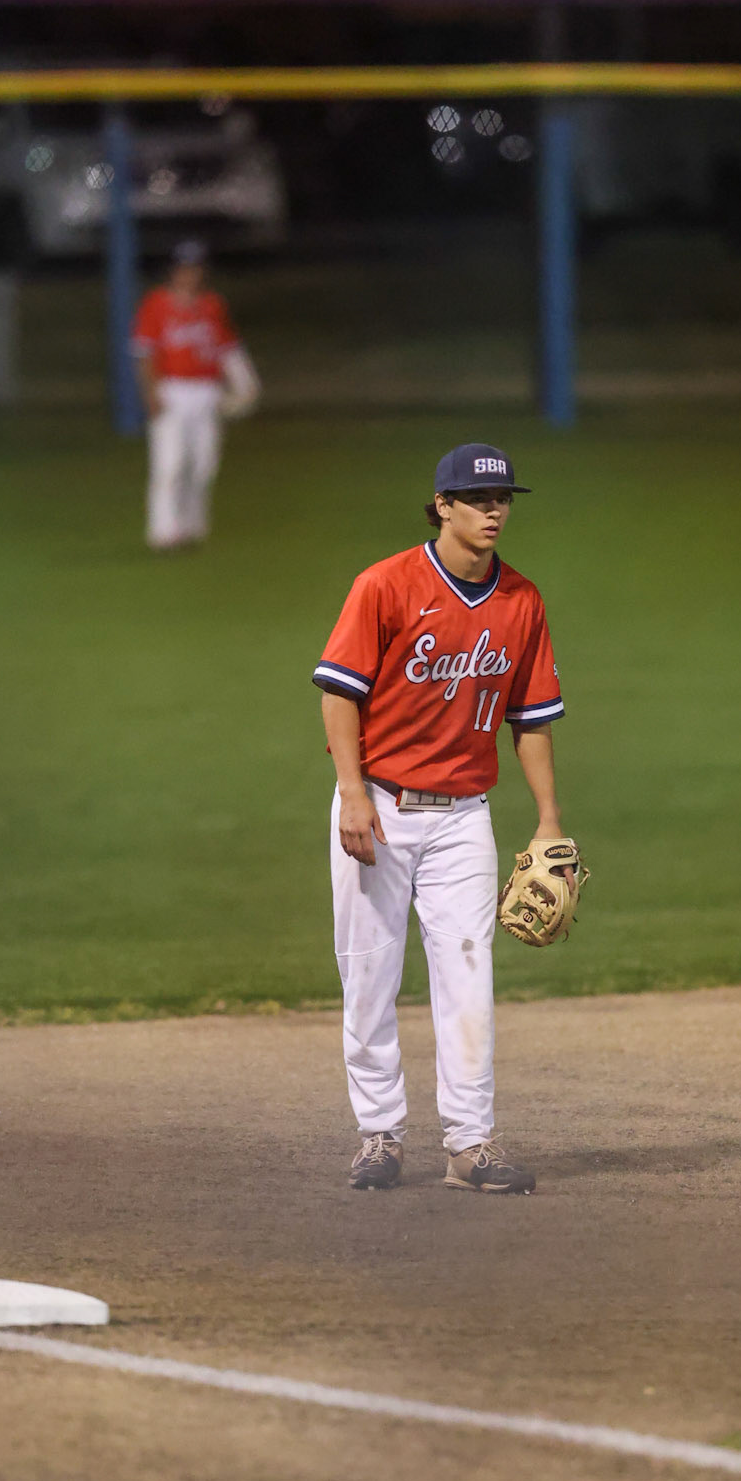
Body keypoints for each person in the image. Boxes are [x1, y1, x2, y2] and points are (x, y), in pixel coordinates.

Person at [313, 442, 569, 1196]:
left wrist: (548, 820)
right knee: (369, 978)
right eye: (477, 499)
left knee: (468, 976)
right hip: (381, 807)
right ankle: (379, 1135)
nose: (494, 511)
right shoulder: (385, 586)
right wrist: (352, 793)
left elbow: (531, 719)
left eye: (503, 500)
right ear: (442, 507)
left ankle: (469, 1144)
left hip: (464, 818)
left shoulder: (521, 600)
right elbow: (339, 695)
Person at [129, 240, 258, 551]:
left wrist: (245, 382)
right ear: (173, 271)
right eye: (184, 268)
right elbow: (144, 352)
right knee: (169, 464)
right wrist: (150, 391)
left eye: (195, 268)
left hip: (207, 392)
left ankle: (190, 526)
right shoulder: (156, 304)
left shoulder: (212, 305)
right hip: (171, 389)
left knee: (203, 465)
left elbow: (228, 348)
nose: (190, 274)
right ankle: (163, 532)